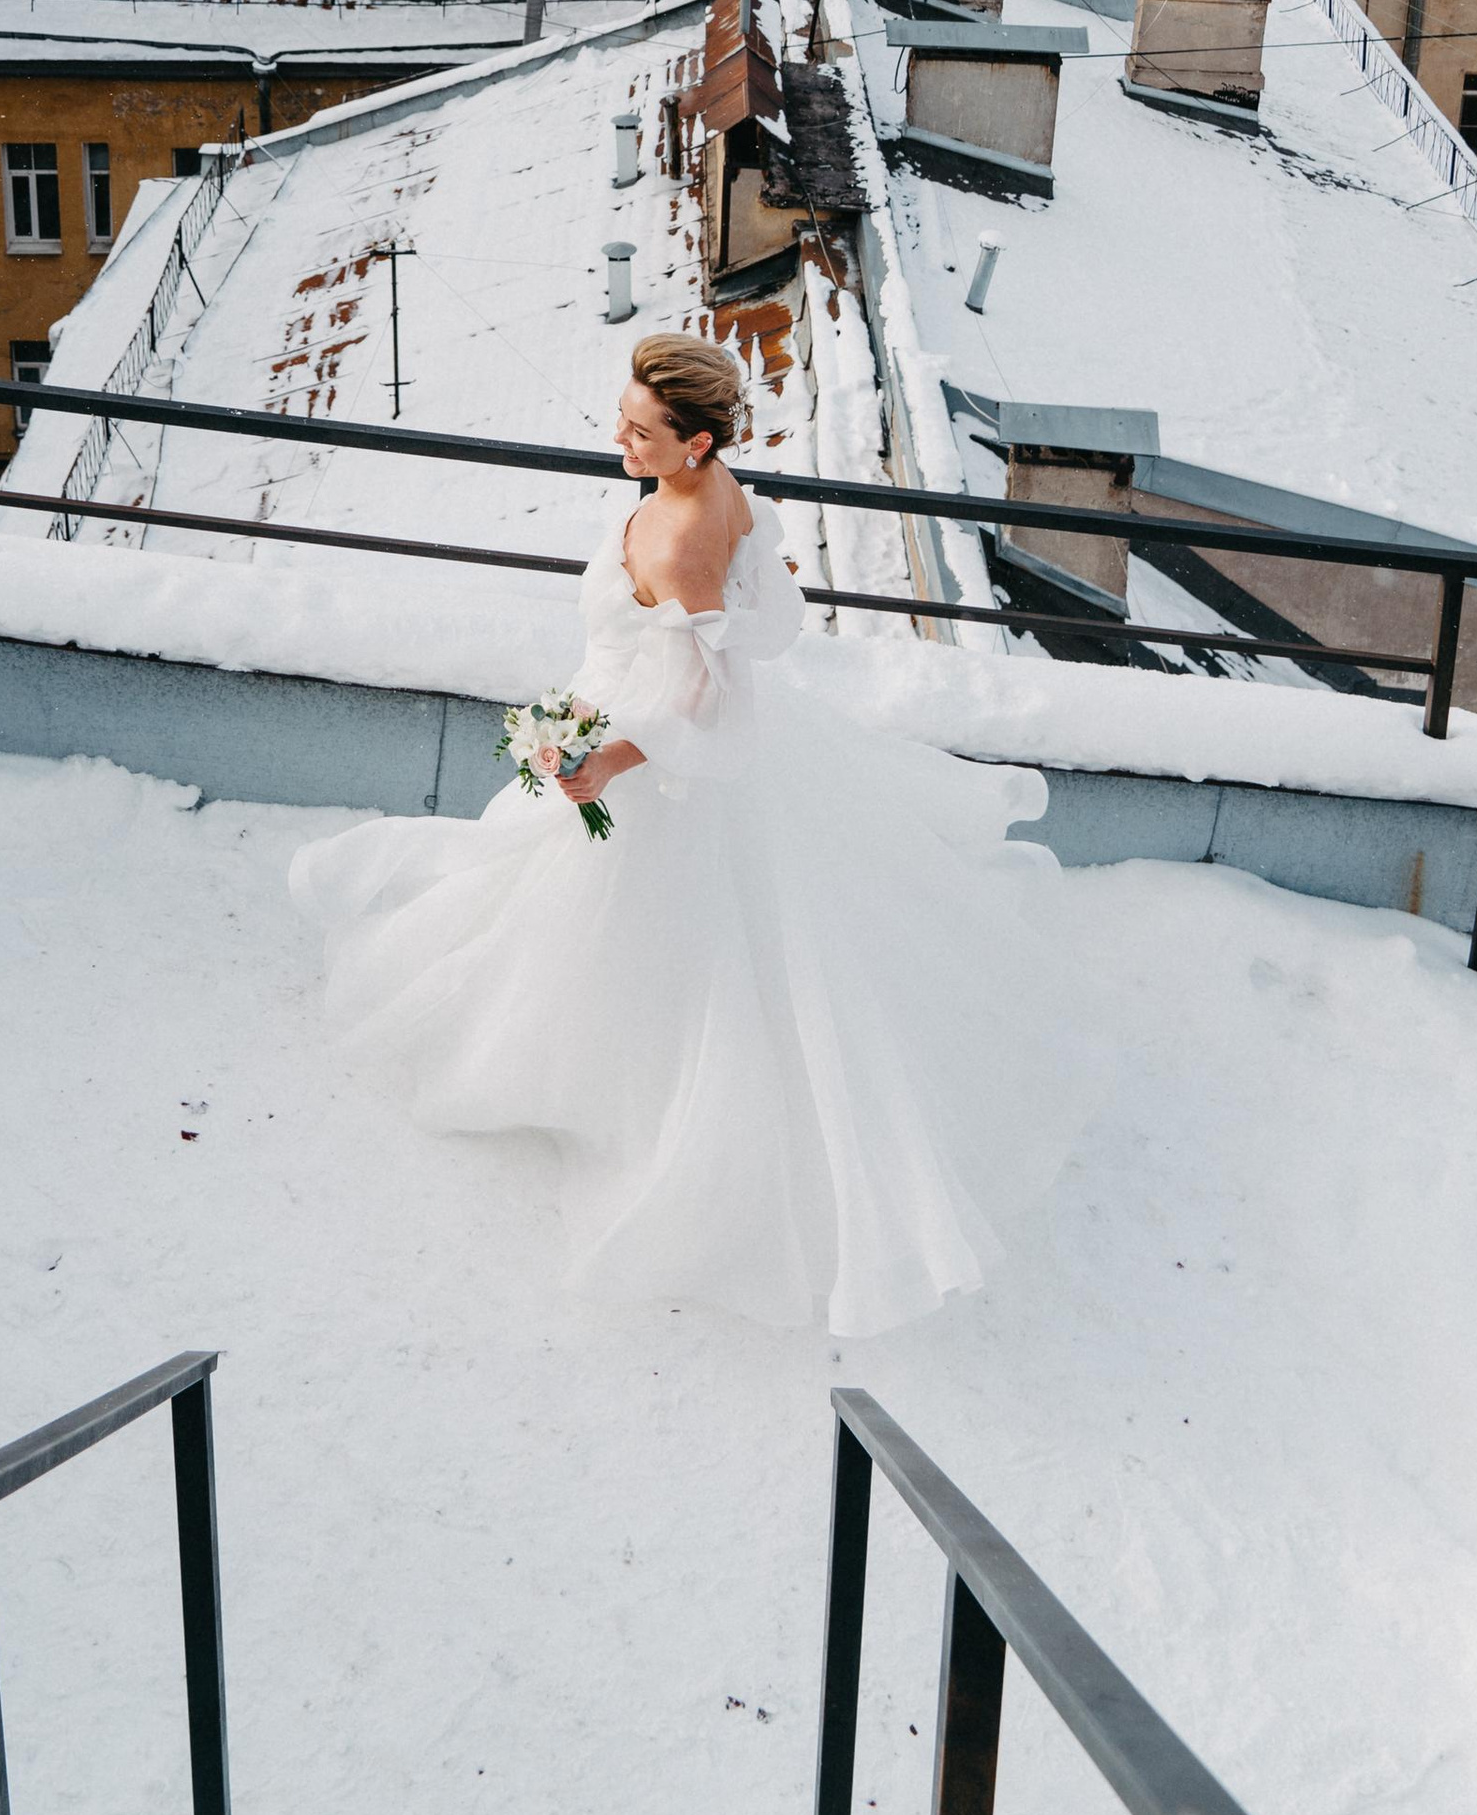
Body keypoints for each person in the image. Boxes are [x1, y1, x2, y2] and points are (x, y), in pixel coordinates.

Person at [288, 332, 1091, 1339]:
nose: (618, 440)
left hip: (653, 753)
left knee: (623, 928)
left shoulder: (676, 541)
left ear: (697, 440)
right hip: (659, 720)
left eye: (639, 430)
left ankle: (634, 1104)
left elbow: (704, 702)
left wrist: (608, 760)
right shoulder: (722, 491)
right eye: (621, 419)